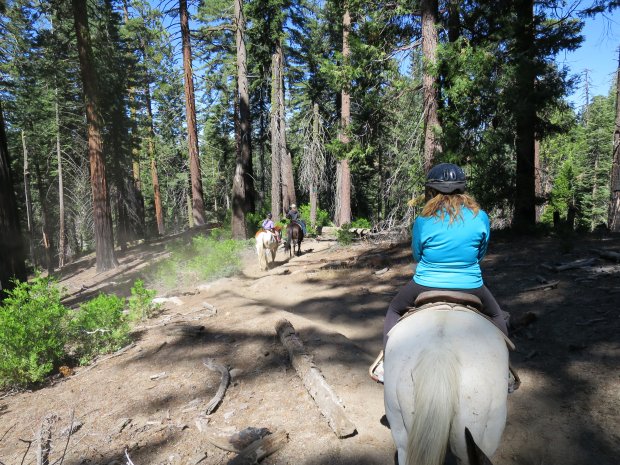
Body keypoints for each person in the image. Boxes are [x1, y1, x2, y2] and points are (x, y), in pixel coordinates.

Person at [370, 163, 509, 384]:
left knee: (394, 310)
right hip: (471, 284)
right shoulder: (480, 217)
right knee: (496, 316)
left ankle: (387, 365)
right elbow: (481, 254)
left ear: (432, 191)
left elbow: (417, 254)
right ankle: (506, 372)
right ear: (462, 189)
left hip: (426, 284)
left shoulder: (423, 220)